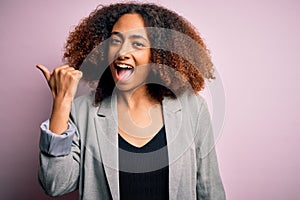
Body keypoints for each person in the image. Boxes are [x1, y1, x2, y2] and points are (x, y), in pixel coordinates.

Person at [37, 2, 226, 200]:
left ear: (159, 55)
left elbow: (210, 190)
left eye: (137, 44)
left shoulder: (192, 108)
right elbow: (55, 184)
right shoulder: (81, 111)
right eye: (115, 41)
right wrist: (61, 102)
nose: (122, 53)